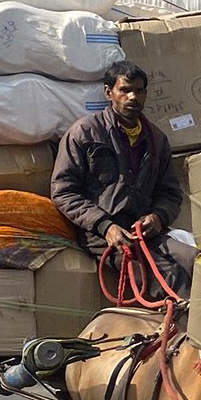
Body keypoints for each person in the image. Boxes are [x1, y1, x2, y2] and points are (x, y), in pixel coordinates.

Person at [50, 60, 190, 300]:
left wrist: (158, 217)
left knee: (194, 262)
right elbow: (64, 191)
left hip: (145, 234)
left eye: (139, 91)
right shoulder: (84, 133)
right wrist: (106, 226)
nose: (133, 97)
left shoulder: (156, 139)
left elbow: (169, 194)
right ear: (108, 92)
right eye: (125, 90)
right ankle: (177, 334)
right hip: (101, 234)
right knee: (169, 276)